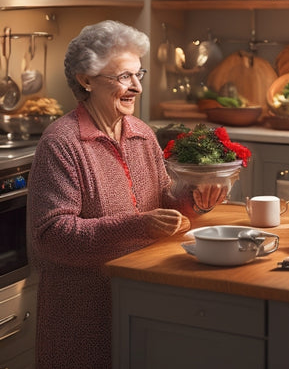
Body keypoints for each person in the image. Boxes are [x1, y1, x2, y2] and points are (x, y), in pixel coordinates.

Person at [28, 20, 189, 369]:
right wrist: (138, 226)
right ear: (86, 80)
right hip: (82, 313)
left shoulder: (141, 134)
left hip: (140, 300)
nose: (137, 88)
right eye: (124, 77)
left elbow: (163, 199)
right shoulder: (62, 143)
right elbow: (52, 237)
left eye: (138, 74)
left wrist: (196, 196)